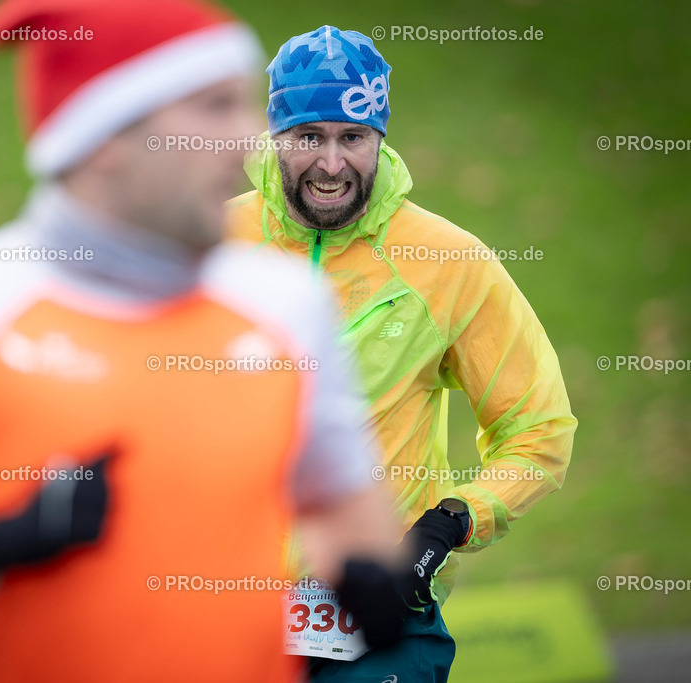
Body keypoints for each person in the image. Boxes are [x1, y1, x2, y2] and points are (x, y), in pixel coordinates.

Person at [0, 5, 408, 682]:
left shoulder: (286, 300)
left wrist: (373, 577)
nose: (252, 138)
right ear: (104, 136)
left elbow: (345, 504)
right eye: (215, 107)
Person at [226, 25, 578, 683]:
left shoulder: (449, 260)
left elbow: (539, 429)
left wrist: (449, 523)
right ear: (274, 135)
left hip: (381, 611)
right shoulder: (209, 242)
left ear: (381, 137)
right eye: (309, 137)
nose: (332, 165)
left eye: (353, 138)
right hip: (225, 610)